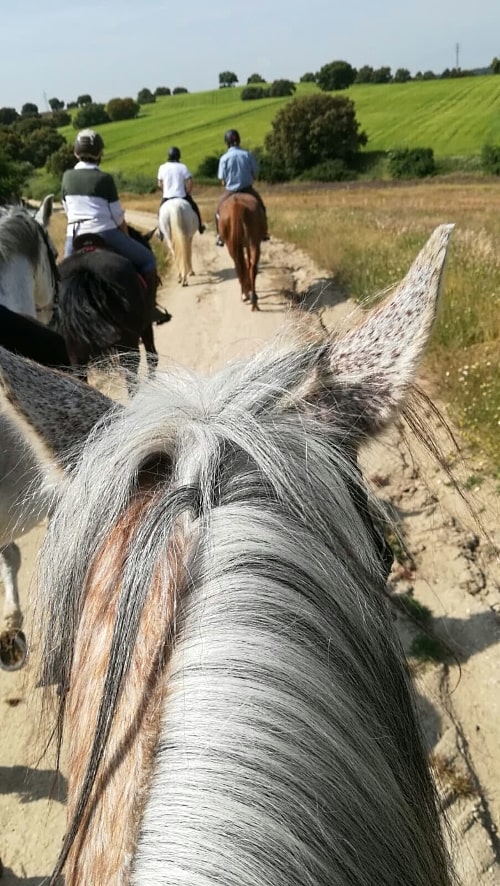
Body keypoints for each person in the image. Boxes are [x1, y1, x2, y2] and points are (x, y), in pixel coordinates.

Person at [61, 129, 169, 324]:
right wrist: (126, 238)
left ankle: (61, 320)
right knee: (148, 260)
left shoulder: (66, 177)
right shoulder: (104, 179)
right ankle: (150, 309)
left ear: (76, 152)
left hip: (74, 235)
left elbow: (67, 210)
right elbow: (118, 218)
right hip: (105, 232)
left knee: (61, 280)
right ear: (99, 153)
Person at [215, 129, 270, 247]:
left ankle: (220, 235)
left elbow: (222, 180)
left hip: (230, 191)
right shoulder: (247, 154)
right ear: (239, 140)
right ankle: (264, 232)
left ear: (227, 142)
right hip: (247, 189)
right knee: (261, 207)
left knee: (218, 210)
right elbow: (255, 173)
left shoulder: (224, 158)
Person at [157, 147, 205, 235]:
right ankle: (200, 227)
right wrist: (188, 192)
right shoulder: (182, 167)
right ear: (179, 156)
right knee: (195, 207)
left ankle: (160, 232)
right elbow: (190, 181)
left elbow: (159, 184)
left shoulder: (162, 167)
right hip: (182, 196)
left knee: (160, 211)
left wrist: (165, 191)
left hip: (167, 197)